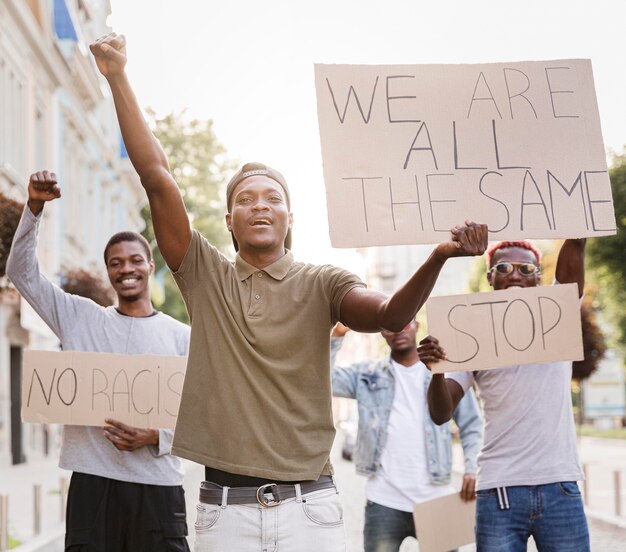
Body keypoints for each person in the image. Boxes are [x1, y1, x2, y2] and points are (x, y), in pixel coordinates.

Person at [87, 33, 488, 552]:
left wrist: (438, 256)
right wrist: (118, 74)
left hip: (311, 513)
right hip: (224, 513)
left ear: (289, 218)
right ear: (229, 221)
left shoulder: (324, 281)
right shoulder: (206, 275)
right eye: (245, 199)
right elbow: (158, 178)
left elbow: (390, 312)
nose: (259, 205)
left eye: (272, 198)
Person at [6, 171, 191, 552]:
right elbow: (21, 273)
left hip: (157, 488)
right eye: (115, 262)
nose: (126, 269)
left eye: (134, 260)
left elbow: (204, 418)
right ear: (108, 270)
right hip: (92, 485)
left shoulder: (181, 337)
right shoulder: (79, 317)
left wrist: (156, 436)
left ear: (148, 264)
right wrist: (35, 208)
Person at [421, 239, 590, 552]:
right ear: (489, 278)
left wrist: (576, 222)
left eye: (526, 269)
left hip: (560, 486)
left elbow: (576, 244)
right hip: (498, 490)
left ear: (538, 277)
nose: (515, 275)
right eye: (503, 268)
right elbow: (440, 414)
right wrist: (437, 370)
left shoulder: (557, 317)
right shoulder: (471, 334)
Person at [331, 321, 483, 552]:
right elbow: (324, 379)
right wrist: (337, 335)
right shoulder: (367, 374)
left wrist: (472, 467)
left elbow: (472, 424)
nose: (398, 330)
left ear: (416, 325)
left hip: (437, 501)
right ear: (382, 332)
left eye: (404, 323)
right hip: (383, 501)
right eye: (390, 325)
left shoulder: (444, 374)